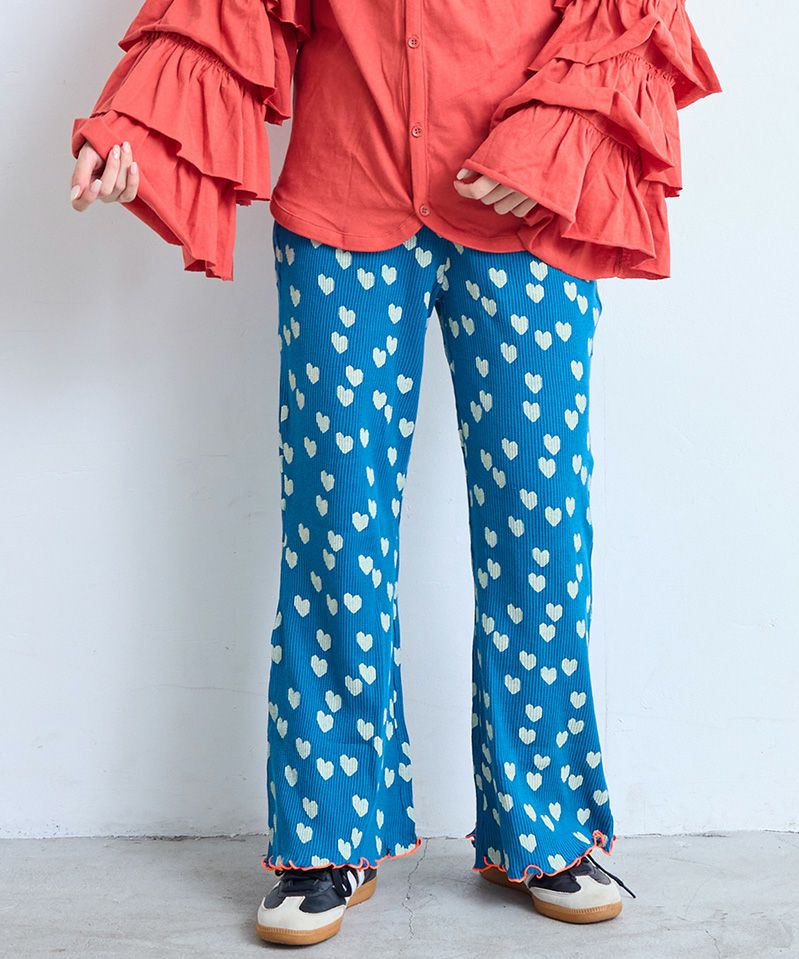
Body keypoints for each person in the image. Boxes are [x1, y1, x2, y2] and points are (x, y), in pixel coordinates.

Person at [69, 0, 721, 946]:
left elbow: (624, 15)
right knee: (334, 530)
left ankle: (545, 829)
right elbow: (228, 11)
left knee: (541, 533)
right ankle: (328, 834)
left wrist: (557, 136)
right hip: (343, 210)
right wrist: (135, 127)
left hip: (525, 220)